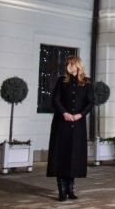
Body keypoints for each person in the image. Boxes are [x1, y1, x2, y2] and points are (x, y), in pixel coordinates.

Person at [47, 56, 94, 201]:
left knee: (73, 157)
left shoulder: (87, 82)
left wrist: (81, 115)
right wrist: (65, 113)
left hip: (78, 125)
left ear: (78, 65)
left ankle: (70, 189)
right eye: (68, 64)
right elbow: (55, 100)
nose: (69, 66)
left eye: (71, 64)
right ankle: (61, 191)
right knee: (61, 156)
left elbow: (91, 102)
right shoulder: (62, 81)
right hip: (61, 125)